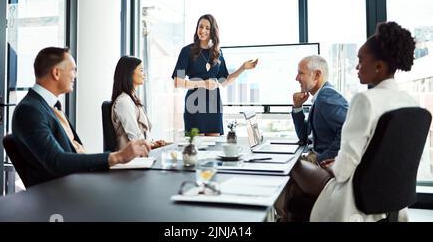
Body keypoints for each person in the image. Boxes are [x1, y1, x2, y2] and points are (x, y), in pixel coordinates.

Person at [281, 21, 418, 222]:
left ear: (379, 66)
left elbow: (344, 170)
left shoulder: (365, 100)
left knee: (291, 164)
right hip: (388, 193)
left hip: (351, 193)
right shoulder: (410, 102)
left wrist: (330, 164)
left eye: (361, 60)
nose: (356, 66)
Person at [12, 47, 151, 187]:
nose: (75, 75)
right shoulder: (30, 110)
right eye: (73, 70)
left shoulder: (50, 106)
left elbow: (72, 151)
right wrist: (117, 156)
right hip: (60, 191)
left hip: (78, 181)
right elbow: (56, 161)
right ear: (56, 73)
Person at [172, 14, 258, 136]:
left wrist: (242, 68)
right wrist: (203, 84)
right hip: (194, 107)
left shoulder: (217, 53)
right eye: (200, 27)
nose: (203, 30)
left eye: (207, 28)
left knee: (214, 149)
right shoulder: (187, 51)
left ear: (212, 31)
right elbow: (178, 81)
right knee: (197, 149)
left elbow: (225, 81)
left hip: (214, 107)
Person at [292, 55, 349, 163]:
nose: (296, 78)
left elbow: (349, 131)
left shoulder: (326, 96)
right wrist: (297, 107)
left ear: (317, 75)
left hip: (323, 163)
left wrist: (320, 159)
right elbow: (304, 137)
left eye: (301, 73)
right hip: (314, 156)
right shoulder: (320, 97)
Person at [111, 56, 167, 150]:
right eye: (141, 70)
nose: (144, 74)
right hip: (131, 160)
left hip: (139, 155)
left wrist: (152, 143)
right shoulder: (123, 102)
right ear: (129, 73)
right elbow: (135, 138)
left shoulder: (132, 99)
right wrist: (151, 145)